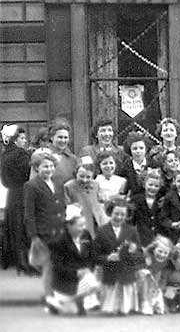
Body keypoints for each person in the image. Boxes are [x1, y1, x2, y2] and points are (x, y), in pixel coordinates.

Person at [24, 151, 67, 297]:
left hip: (60, 229)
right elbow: (29, 213)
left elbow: (62, 205)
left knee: (59, 265)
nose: (49, 169)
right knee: (49, 266)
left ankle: (58, 292)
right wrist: (34, 236)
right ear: (36, 168)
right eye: (45, 167)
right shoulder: (31, 186)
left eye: (51, 166)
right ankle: (49, 296)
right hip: (44, 232)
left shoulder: (58, 183)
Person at [45, 204, 99, 315]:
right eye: (80, 225)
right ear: (69, 226)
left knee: (93, 283)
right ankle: (59, 301)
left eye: (84, 225)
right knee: (70, 311)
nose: (83, 228)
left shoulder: (86, 235)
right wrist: (76, 272)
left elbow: (92, 256)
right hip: (65, 281)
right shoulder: (58, 242)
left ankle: (71, 302)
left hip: (83, 277)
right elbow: (58, 267)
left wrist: (88, 268)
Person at [94, 197, 144, 315]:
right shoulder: (101, 231)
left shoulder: (132, 230)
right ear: (110, 212)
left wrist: (133, 252)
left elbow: (140, 254)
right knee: (109, 311)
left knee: (123, 310)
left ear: (127, 216)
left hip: (126, 272)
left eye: (123, 214)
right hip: (109, 273)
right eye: (116, 213)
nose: (119, 217)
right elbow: (94, 255)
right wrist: (107, 258)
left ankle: (125, 307)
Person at [1, 124, 33, 274]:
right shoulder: (21, 155)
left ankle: (20, 262)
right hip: (23, 192)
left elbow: (4, 180)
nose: (25, 140)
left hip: (11, 194)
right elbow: (30, 172)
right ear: (14, 140)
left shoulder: (4, 155)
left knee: (16, 227)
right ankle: (25, 262)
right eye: (22, 138)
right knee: (24, 226)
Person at [64, 158, 108, 238]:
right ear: (76, 173)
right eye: (81, 176)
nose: (84, 180)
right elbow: (66, 204)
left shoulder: (96, 184)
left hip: (96, 219)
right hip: (80, 221)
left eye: (88, 177)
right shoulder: (69, 186)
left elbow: (99, 201)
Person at [138, 235, 173, 315]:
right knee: (145, 273)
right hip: (138, 279)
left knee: (156, 284)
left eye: (165, 253)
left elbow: (158, 276)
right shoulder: (146, 255)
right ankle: (145, 303)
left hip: (152, 279)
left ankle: (156, 304)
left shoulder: (165, 262)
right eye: (160, 251)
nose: (162, 255)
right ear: (154, 249)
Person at [129, 168, 163, 246]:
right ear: (144, 184)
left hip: (157, 239)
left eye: (156, 186)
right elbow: (130, 221)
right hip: (140, 238)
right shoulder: (136, 200)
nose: (153, 188)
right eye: (150, 185)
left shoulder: (161, 201)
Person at [47, 119, 77, 187]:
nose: (63, 140)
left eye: (66, 137)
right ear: (52, 137)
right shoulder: (43, 156)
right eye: (60, 137)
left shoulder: (73, 159)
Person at [120, 132, 151, 196]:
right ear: (130, 150)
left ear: (146, 149)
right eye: (135, 149)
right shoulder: (124, 168)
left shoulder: (153, 165)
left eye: (141, 148)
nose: (138, 151)